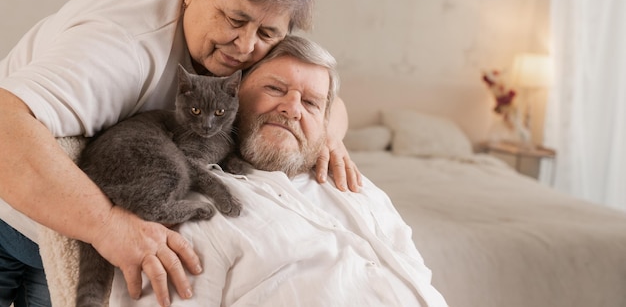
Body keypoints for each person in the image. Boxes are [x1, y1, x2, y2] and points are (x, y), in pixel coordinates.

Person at [0, 0, 361, 307]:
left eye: (267, 33)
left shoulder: (257, 25)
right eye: (234, 21)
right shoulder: (120, 45)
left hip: (62, 236)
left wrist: (327, 135)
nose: (246, 46)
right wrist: (108, 226)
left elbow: (323, 95)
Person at [108, 35, 448, 307]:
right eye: (275, 89)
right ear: (234, 95)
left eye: (312, 103)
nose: (292, 109)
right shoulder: (201, 210)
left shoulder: (361, 189)